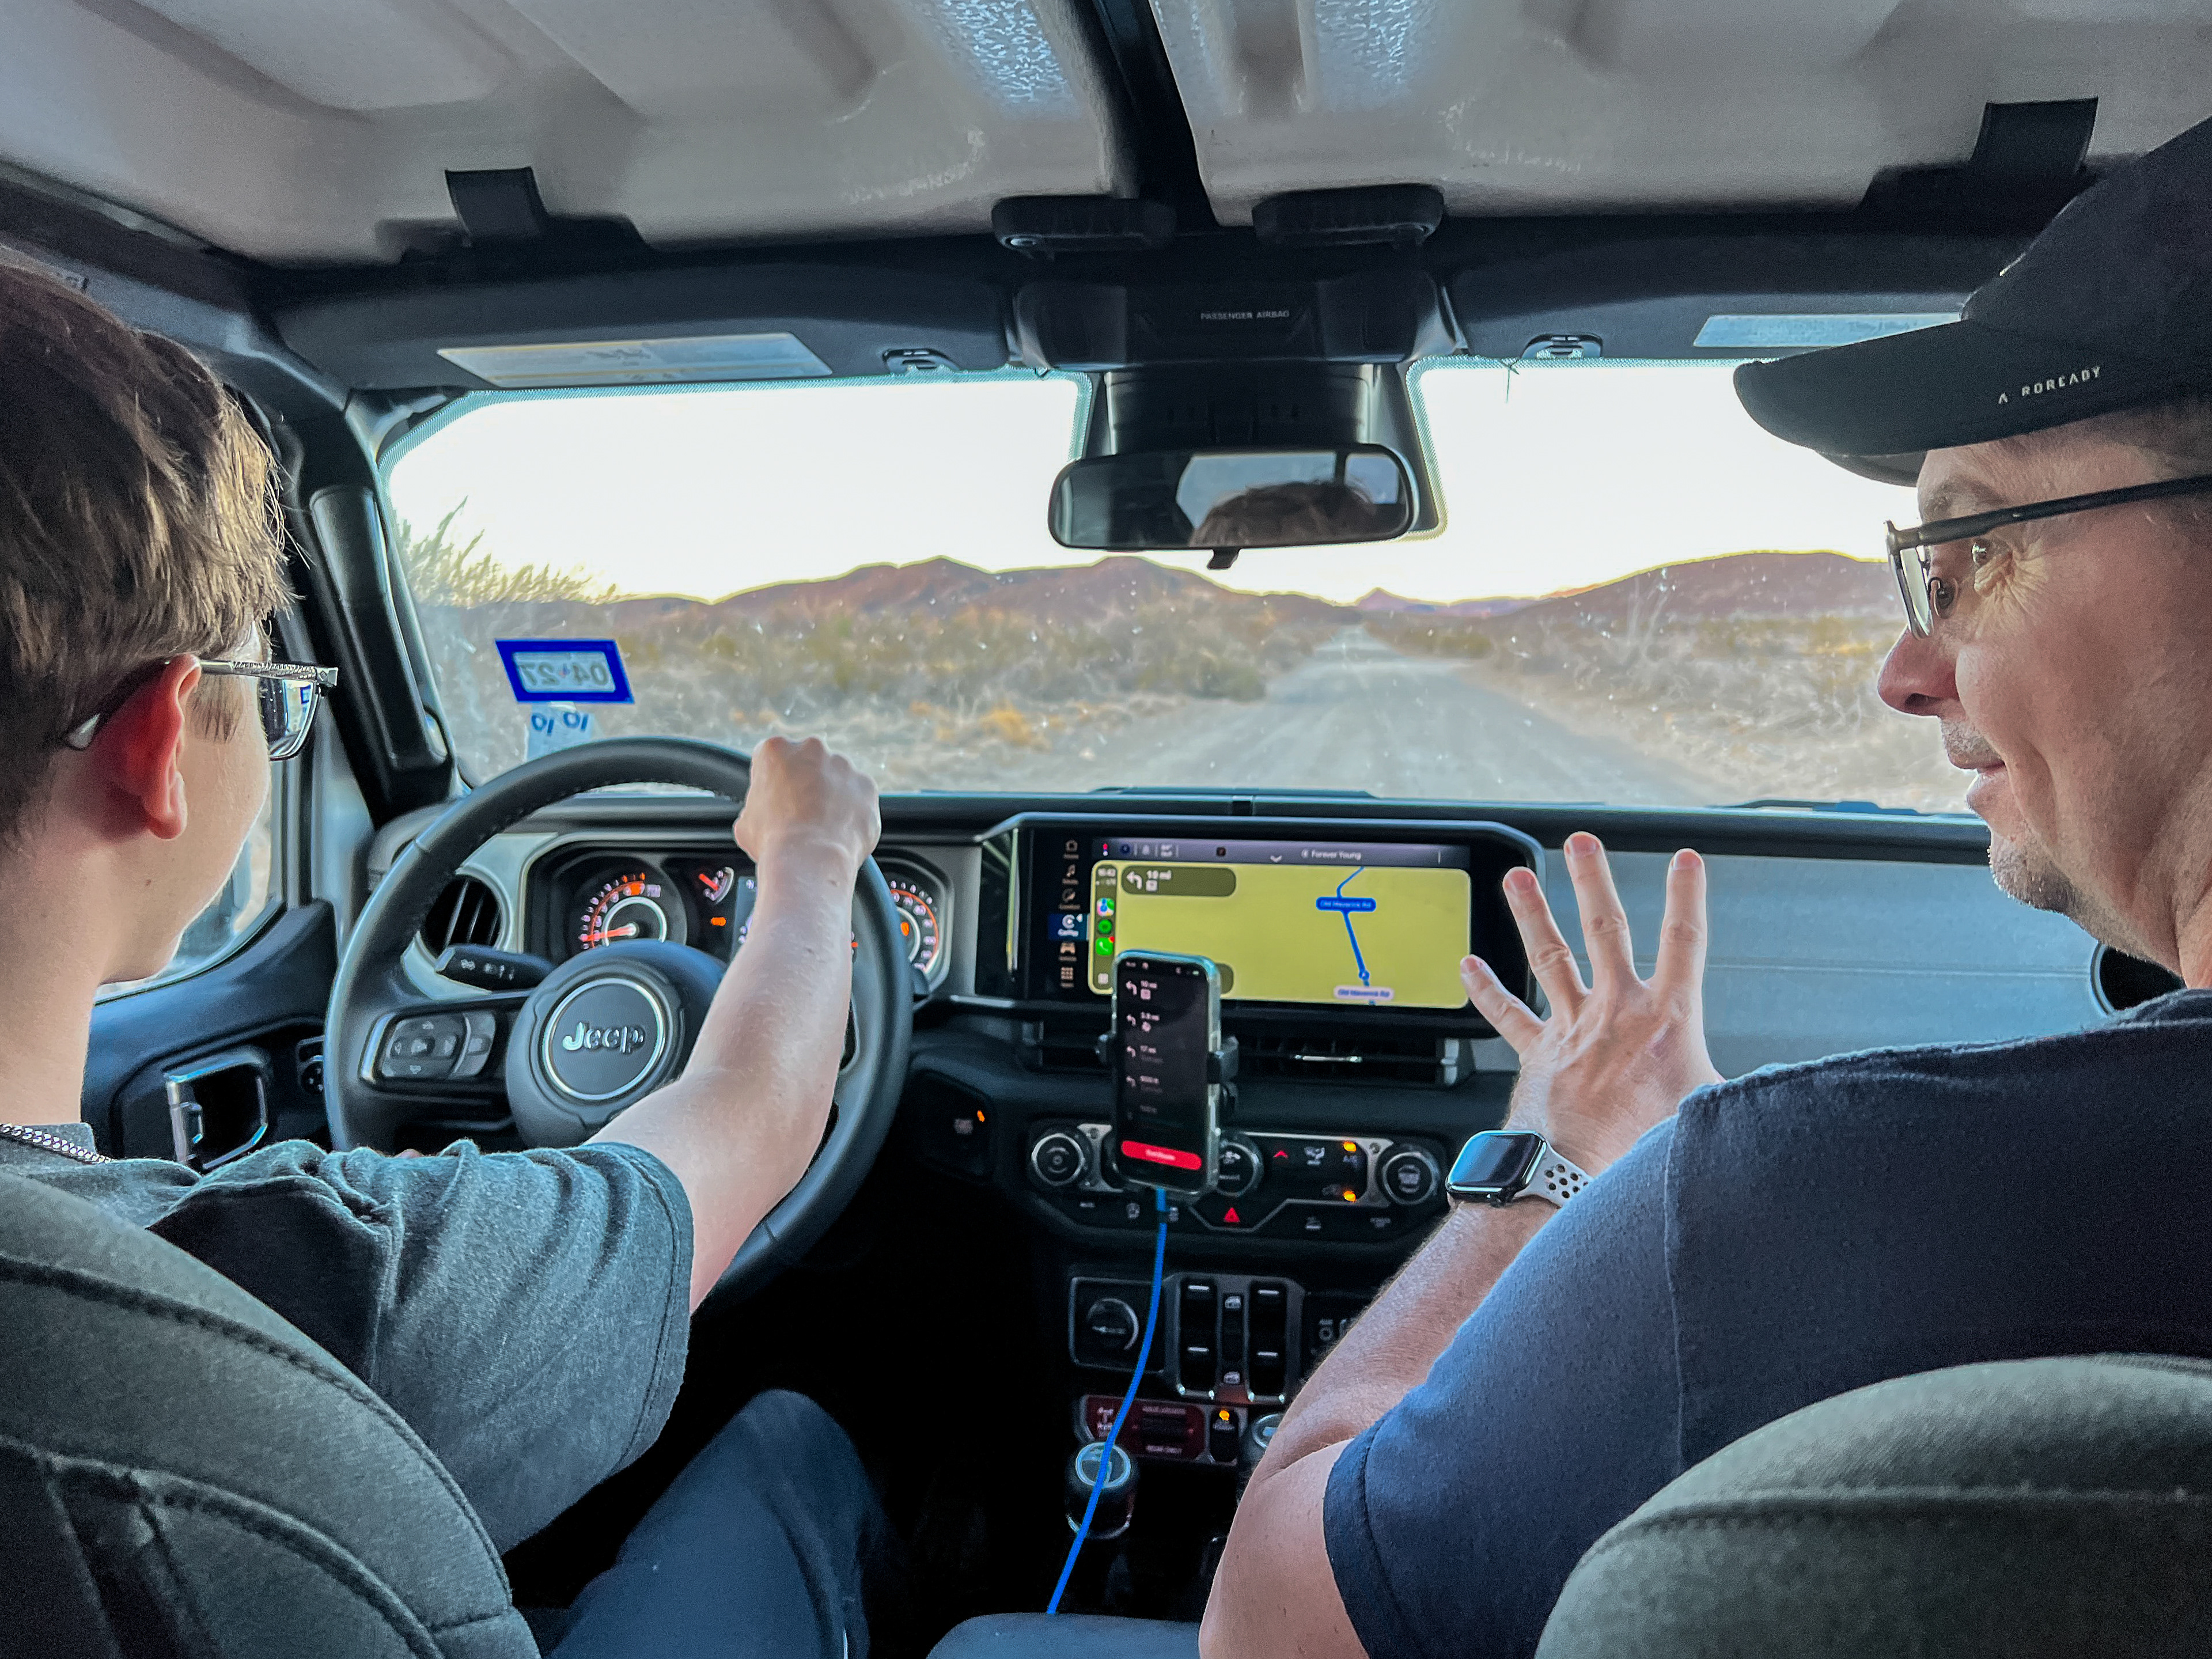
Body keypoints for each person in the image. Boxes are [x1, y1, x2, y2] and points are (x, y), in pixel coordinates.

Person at [1203, 111, 2212, 1659]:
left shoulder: (1783, 1216)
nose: (1907, 668)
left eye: (1966, 556)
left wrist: (1548, 1163)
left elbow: (1269, 1628)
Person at [0, 262, 898, 1657]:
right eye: (280, 696)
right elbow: (754, 1118)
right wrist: (816, 860)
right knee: (790, 1443)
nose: (283, 724)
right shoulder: (312, 1295)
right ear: (160, 742)